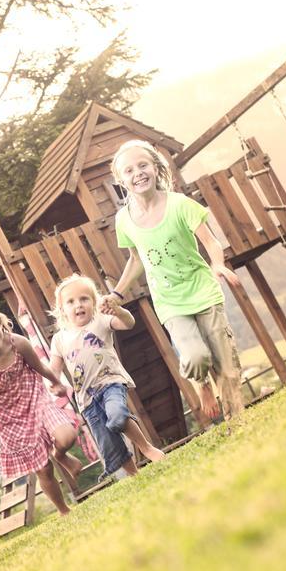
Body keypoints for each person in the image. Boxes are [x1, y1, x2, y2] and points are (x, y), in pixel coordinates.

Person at [101, 139, 245, 423]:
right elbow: (136, 258)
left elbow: (210, 241)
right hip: (169, 301)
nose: (138, 173)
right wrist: (117, 294)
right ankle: (202, 385)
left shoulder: (180, 205)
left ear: (156, 168)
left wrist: (218, 265)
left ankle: (237, 422)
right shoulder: (124, 220)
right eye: (129, 170)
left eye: (143, 165)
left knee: (226, 365)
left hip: (203, 290)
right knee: (194, 356)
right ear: (120, 180)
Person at [0, 296, 82, 515]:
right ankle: (64, 510)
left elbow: (40, 367)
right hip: (9, 419)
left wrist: (56, 382)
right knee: (43, 469)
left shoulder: (17, 343)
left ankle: (61, 454)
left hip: (35, 397)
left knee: (67, 436)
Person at [48, 274, 165, 477]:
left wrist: (118, 310)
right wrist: (55, 384)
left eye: (84, 299)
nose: (79, 305)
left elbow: (128, 323)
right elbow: (53, 371)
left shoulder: (101, 321)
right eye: (71, 301)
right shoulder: (59, 339)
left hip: (110, 382)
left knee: (117, 415)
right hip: (86, 399)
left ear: (94, 302)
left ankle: (146, 448)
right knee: (109, 442)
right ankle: (134, 475)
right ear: (62, 310)